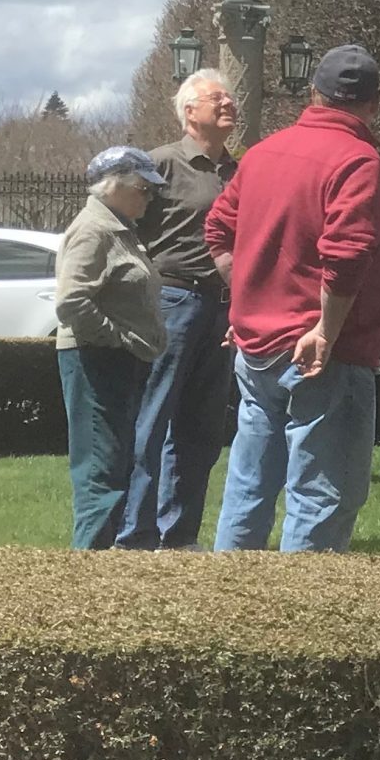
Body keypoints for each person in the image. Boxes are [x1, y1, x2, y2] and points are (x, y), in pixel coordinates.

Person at [203, 44, 380, 553]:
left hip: (256, 347)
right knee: (322, 495)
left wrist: (246, 300)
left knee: (248, 486)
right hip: (327, 354)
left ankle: (227, 595)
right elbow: (347, 255)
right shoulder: (359, 160)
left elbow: (218, 230)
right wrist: (325, 331)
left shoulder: (262, 154)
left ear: (312, 94)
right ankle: (302, 604)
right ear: (375, 103)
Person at [122, 68, 239, 550]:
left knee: (202, 427)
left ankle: (180, 535)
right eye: (218, 98)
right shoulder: (160, 165)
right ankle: (134, 534)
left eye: (230, 97)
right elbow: (124, 228)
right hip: (173, 301)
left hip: (222, 308)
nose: (229, 103)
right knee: (152, 419)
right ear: (190, 112)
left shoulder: (240, 171)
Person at [56, 147, 171, 550]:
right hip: (96, 361)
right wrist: (118, 339)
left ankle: (100, 564)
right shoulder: (94, 230)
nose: (150, 197)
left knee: (115, 467)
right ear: (113, 187)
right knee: (100, 473)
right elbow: (72, 302)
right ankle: (87, 568)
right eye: (143, 188)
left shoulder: (120, 229)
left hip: (119, 362)